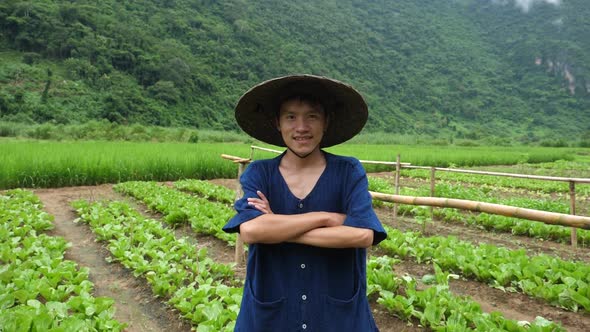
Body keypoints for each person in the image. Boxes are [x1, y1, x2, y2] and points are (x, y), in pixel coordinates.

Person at [223, 75, 387, 332]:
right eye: (290, 117)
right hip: (273, 314)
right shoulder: (259, 173)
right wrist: (326, 218)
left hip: (336, 315)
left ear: (326, 122)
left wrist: (277, 228)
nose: (301, 127)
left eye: (312, 116)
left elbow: (362, 234)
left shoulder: (348, 171)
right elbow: (252, 231)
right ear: (277, 123)